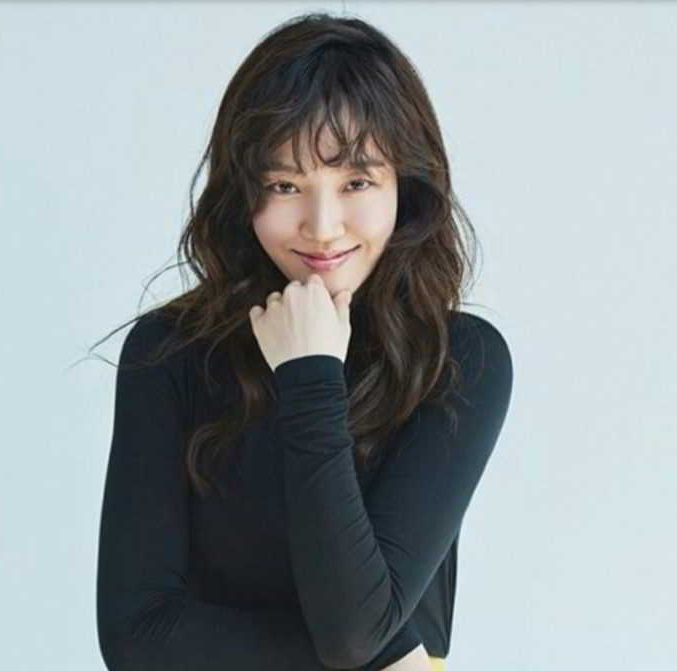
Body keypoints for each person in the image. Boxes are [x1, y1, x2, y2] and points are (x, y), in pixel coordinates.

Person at [94, 11, 513, 671]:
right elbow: (138, 638)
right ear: (244, 192)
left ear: (405, 185)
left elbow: (351, 631)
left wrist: (310, 373)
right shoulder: (170, 351)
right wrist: (395, 657)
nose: (322, 226)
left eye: (356, 183)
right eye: (285, 185)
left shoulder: (459, 359)